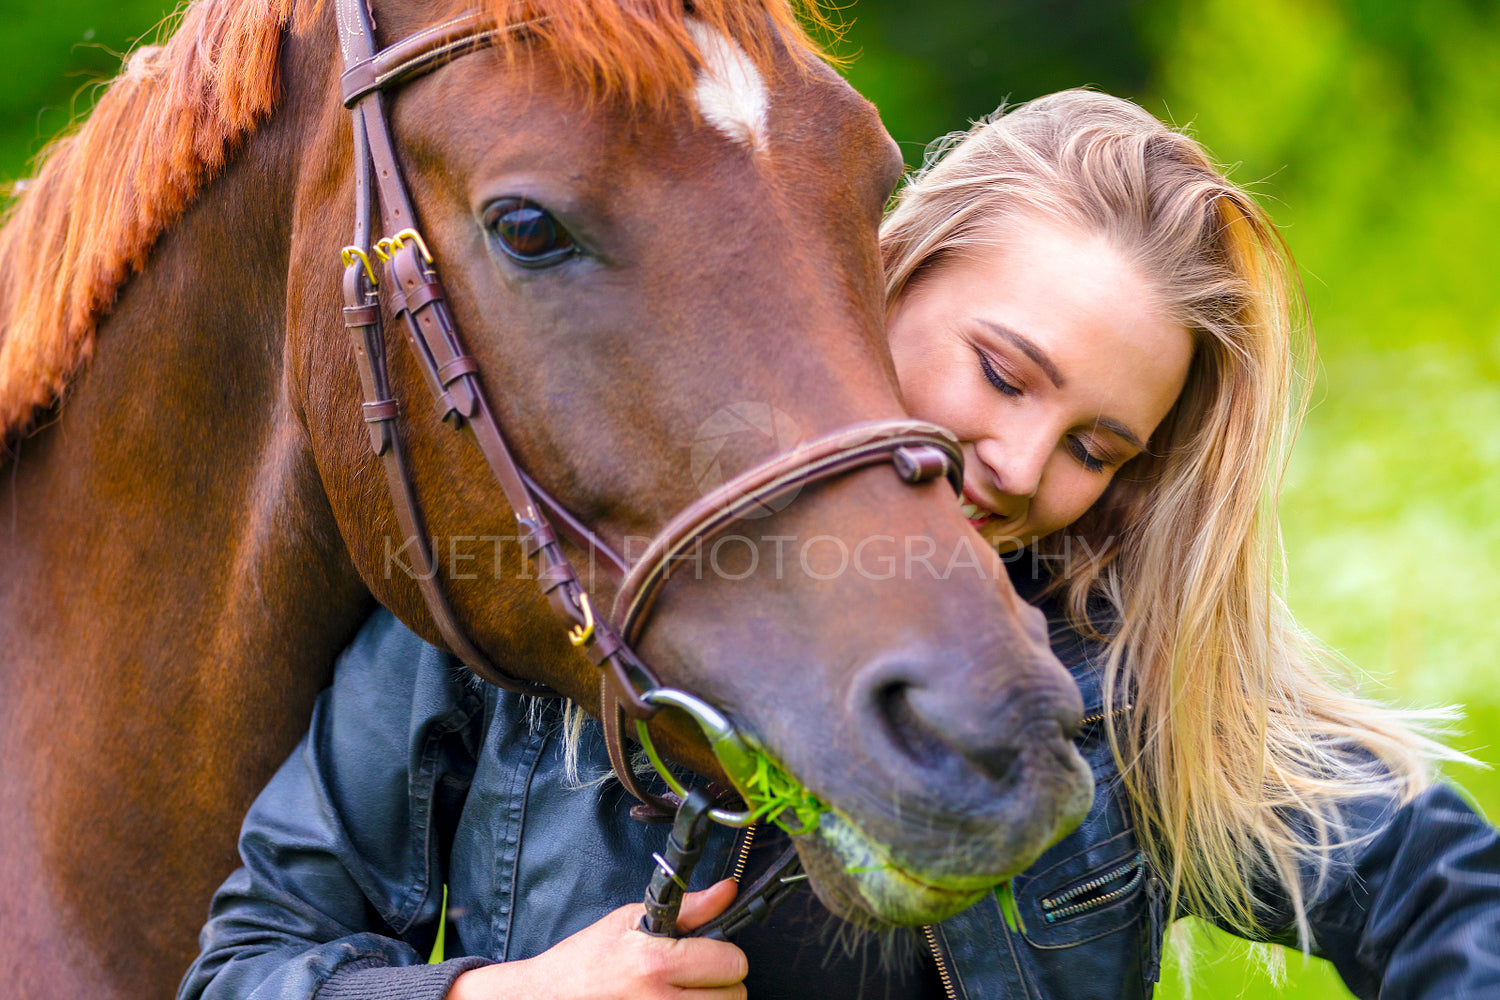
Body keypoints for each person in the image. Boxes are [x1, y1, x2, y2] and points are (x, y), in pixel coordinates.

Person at [179, 90, 1500, 1000]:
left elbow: (1442, 894)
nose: (1026, 469)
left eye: (1099, 446)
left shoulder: (1111, 668)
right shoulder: (549, 575)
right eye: (1002, 370)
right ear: (883, 268)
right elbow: (247, 964)